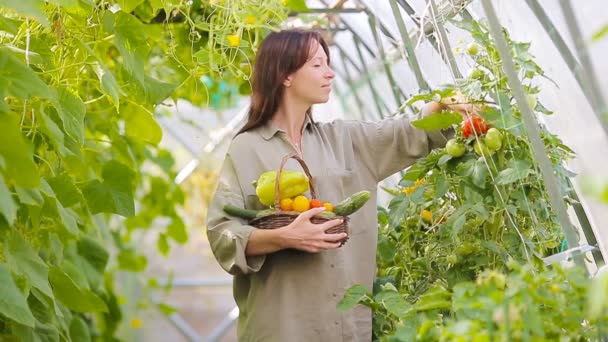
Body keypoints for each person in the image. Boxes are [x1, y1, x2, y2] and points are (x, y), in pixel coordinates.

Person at [206, 29, 476, 341]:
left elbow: (410, 132)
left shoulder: (346, 140)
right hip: (282, 327)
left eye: (329, 63)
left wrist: (442, 107)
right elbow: (222, 234)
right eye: (317, 65)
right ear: (286, 76)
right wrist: (283, 236)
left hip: (344, 329)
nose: (330, 72)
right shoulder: (246, 149)